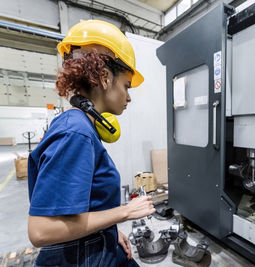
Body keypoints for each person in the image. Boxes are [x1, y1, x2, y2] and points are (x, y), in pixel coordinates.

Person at [27, 20, 155, 266]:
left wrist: (110, 229)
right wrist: (125, 211)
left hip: (96, 244)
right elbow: (41, 231)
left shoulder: (80, 126)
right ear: (105, 78)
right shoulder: (76, 133)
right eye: (126, 86)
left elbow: (82, 206)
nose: (129, 97)